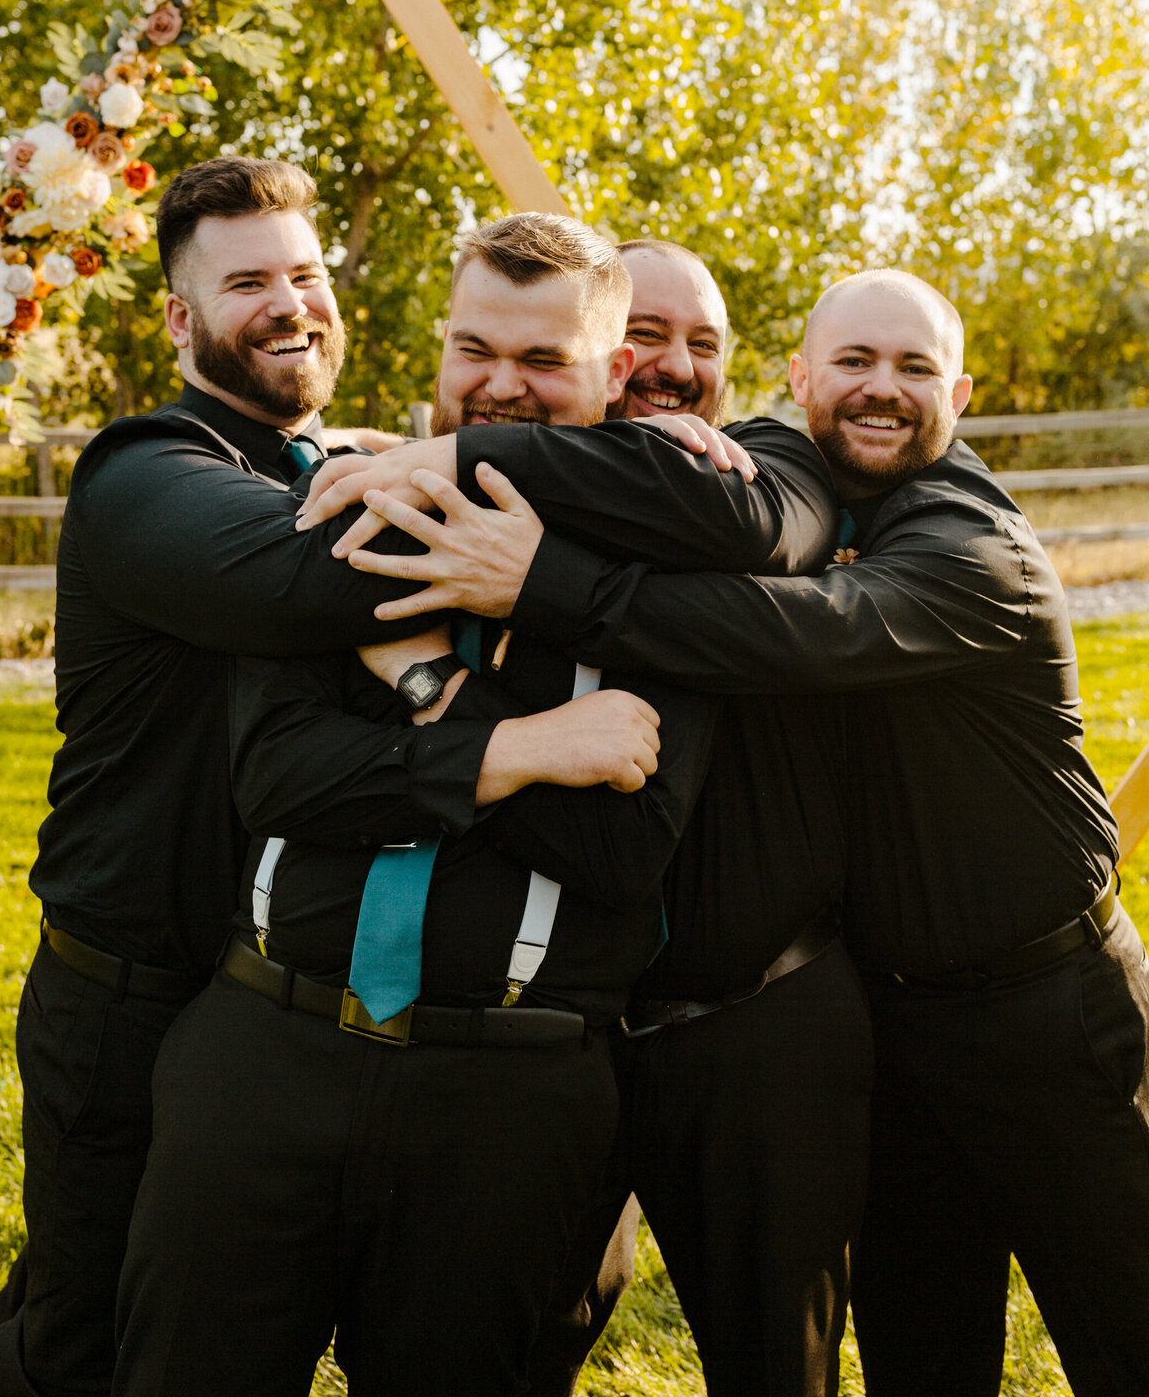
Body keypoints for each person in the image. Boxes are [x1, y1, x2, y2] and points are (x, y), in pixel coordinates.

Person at [313, 267, 1149, 1397]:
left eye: (911, 369)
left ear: (961, 392)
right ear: (799, 380)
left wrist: (529, 571)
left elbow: (814, 632)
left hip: (1050, 1012)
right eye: (852, 362)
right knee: (926, 1344)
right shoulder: (767, 468)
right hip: (894, 1023)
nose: (880, 391)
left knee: (1124, 1319)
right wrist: (420, 447)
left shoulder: (972, 544)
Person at [110, 214, 725, 1397]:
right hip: (263, 1056)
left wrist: (424, 699)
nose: (503, 385)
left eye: (545, 362)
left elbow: (621, 852)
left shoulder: (665, 580)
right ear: (440, 350)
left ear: (614, 375)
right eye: (475, 349)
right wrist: (524, 744)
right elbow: (281, 776)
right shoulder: (349, 514)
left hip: (509, 1097)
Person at [0, 156, 535, 1397]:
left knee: (202, 1334)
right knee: (78, 1335)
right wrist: (585, 483)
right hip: (130, 996)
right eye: (249, 282)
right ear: (178, 317)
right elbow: (312, 578)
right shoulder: (145, 477)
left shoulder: (326, 458)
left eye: (308, 274)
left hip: (264, 1006)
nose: (291, 303)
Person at [297, 237, 872, 1397]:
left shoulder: (763, 465)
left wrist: (462, 477)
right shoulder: (484, 483)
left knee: (772, 1357)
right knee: (532, 1325)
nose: (671, 368)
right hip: (573, 1034)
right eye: (647, 339)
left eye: (702, 344)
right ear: (613, 363)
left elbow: (750, 531)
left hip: (746, 1015)